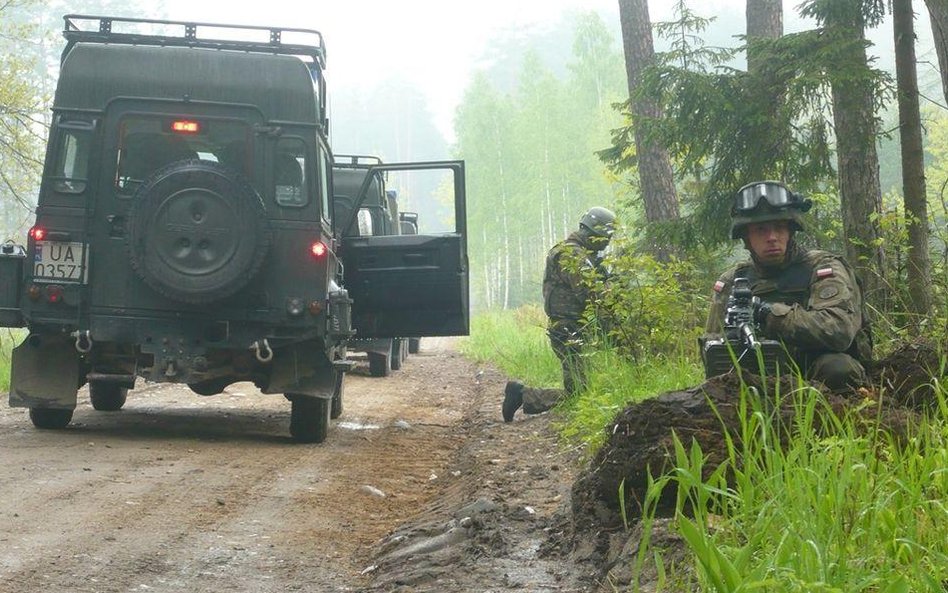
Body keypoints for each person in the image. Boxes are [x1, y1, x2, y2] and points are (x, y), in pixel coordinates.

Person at [704, 180, 871, 391]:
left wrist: (767, 313)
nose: (772, 237)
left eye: (779, 228)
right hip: (755, 375)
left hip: (815, 376)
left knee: (838, 368)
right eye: (761, 230)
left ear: (791, 230)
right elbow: (712, 349)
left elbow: (838, 331)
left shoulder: (823, 269)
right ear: (746, 237)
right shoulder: (733, 282)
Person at [502, 206, 616, 422]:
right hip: (569, 328)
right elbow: (589, 293)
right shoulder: (572, 255)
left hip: (572, 327)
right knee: (579, 393)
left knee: (580, 389)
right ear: (595, 234)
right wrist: (609, 286)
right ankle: (521, 395)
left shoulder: (576, 253)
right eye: (605, 238)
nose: (606, 243)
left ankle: (522, 395)